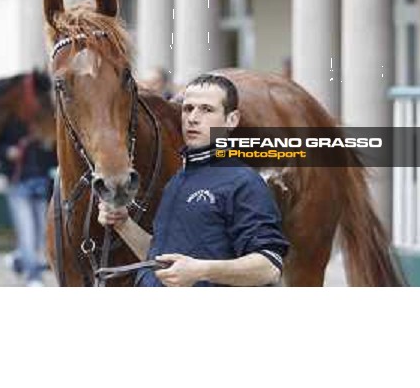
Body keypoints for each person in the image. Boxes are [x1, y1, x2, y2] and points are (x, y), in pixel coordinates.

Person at [98, 73, 289, 287]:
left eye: (206, 109)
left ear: (231, 120)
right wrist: (123, 223)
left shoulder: (244, 181)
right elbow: (160, 256)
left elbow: (269, 266)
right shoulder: (177, 180)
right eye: (188, 108)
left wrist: (201, 270)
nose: (193, 118)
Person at [0, 118, 58, 287]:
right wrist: (8, 152)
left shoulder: (46, 122)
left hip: (42, 185)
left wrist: (48, 146)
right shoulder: (9, 121)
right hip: (18, 185)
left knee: (42, 233)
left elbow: (53, 157)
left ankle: (18, 260)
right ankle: (33, 277)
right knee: (27, 232)